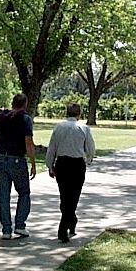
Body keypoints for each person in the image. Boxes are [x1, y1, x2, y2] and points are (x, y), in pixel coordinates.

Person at [46, 103, 95, 243]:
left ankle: (69, 222)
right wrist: (88, 160)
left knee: (65, 196)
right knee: (74, 196)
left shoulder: (58, 127)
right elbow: (90, 148)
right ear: (79, 114)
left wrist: (50, 165)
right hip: (77, 164)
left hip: (62, 164)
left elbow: (52, 148)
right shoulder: (84, 128)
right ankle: (67, 224)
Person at [0, 93, 36, 240]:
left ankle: (6, 229)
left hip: (1, 157)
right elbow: (28, 142)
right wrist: (33, 162)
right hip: (17, 159)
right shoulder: (25, 119)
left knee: (4, 194)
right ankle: (20, 225)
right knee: (23, 192)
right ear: (25, 104)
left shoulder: (2, 117)